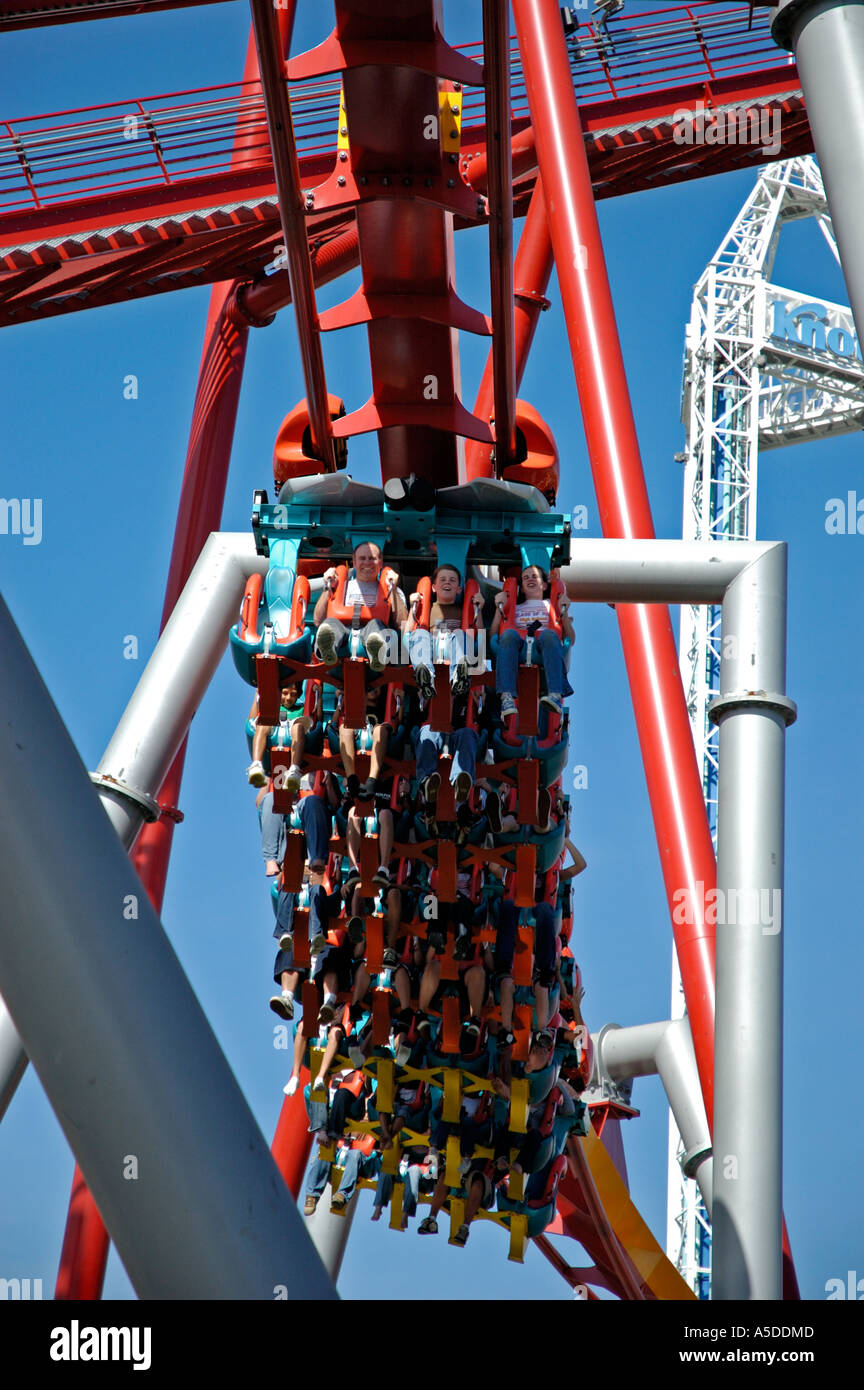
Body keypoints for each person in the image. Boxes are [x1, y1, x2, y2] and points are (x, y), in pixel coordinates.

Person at [490, 565, 574, 718]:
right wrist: (498, 608)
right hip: (519, 646)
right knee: (508, 634)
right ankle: (507, 698)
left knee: (549, 634)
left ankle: (555, 693)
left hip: (544, 646)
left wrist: (565, 612)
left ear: (544, 585)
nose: (530, 580)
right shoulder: (515, 608)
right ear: (521, 588)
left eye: (534, 576)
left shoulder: (552, 606)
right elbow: (494, 635)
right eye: (526, 577)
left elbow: (570, 639)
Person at [313, 541, 407, 670]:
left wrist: (393, 589)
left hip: (373, 643)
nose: (367, 563)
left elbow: (403, 625)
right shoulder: (340, 586)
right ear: (354, 562)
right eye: (362, 558)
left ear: (380, 562)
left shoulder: (391, 590)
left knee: (375, 625)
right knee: (330, 624)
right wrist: (328, 587)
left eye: (372, 558)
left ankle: (377, 653)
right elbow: (318, 621)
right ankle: (327, 649)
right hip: (342, 641)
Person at [406, 564, 484, 699]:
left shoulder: (463, 611)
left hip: (454, 649)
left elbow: (480, 635)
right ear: (434, 587)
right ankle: (425, 677)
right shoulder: (427, 609)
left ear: (459, 589)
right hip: (430, 649)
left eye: (452, 580)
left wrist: (479, 609)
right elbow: (407, 635)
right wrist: (413, 606)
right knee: (419, 634)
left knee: (460, 634)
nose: (447, 582)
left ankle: (459, 676)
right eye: (442, 579)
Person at [246, 680, 322, 790]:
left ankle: (294, 769)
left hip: (292, 732)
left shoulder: (300, 708)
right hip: (273, 730)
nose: (288, 698)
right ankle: (256, 765)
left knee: (298, 727)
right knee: (263, 723)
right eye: (285, 693)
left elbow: (317, 718)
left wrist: (318, 696)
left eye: (293, 694)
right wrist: (257, 695)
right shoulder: (273, 707)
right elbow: (251, 721)